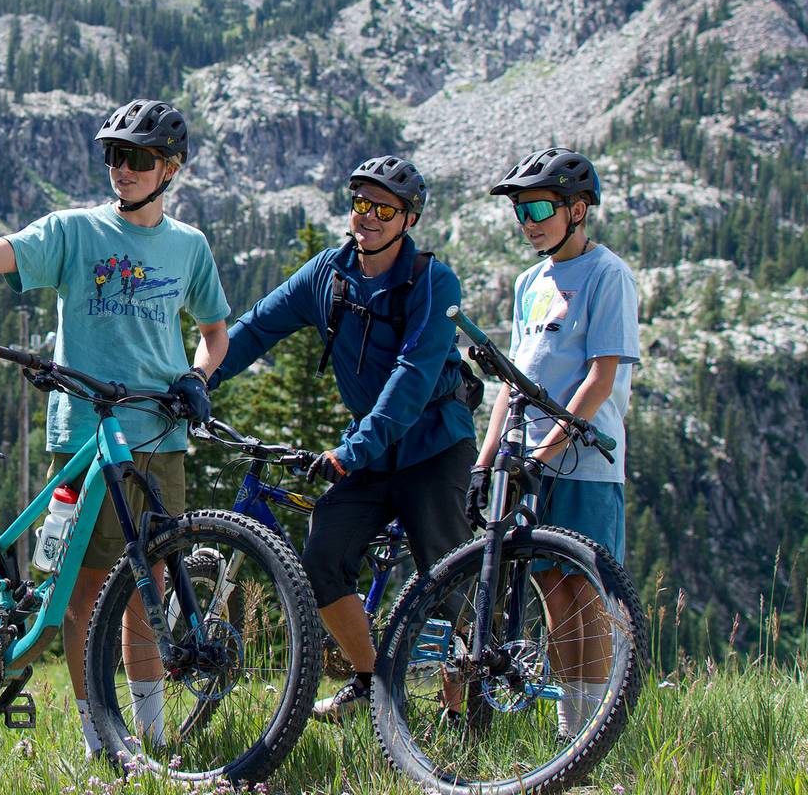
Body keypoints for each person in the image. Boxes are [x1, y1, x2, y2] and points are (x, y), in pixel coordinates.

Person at [0, 98, 231, 756]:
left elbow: (214, 333)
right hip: (82, 438)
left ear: (170, 168)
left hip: (160, 438)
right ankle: (100, 741)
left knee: (148, 587)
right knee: (81, 591)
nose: (122, 168)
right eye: (114, 155)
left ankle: (147, 738)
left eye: (138, 158)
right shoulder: (73, 230)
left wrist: (198, 378)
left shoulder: (189, 247)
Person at [206, 155, 478, 723]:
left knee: (448, 573)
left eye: (385, 208)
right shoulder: (328, 273)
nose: (369, 217)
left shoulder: (432, 280)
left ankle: (475, 704)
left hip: (433, 443)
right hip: (369, 452)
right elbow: (257, 327)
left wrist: (350, 453)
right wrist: (197, 379)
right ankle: (373, 683)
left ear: (409, 219)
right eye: (361, 204)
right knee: (322, 561)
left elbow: (411, 379)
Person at [477, 146, 639, 740]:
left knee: (586, 598)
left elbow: (600, 378)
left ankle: (589, 741)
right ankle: (571, 736)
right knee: (552, 595)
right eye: (521, 211)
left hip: (585, 468)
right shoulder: (529, 281)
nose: (529, 221)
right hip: (527, 465)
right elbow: (511, 384)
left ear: (578, 209)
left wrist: (544, 457)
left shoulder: (607, 274)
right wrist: (487, 460)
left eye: (540, 207)